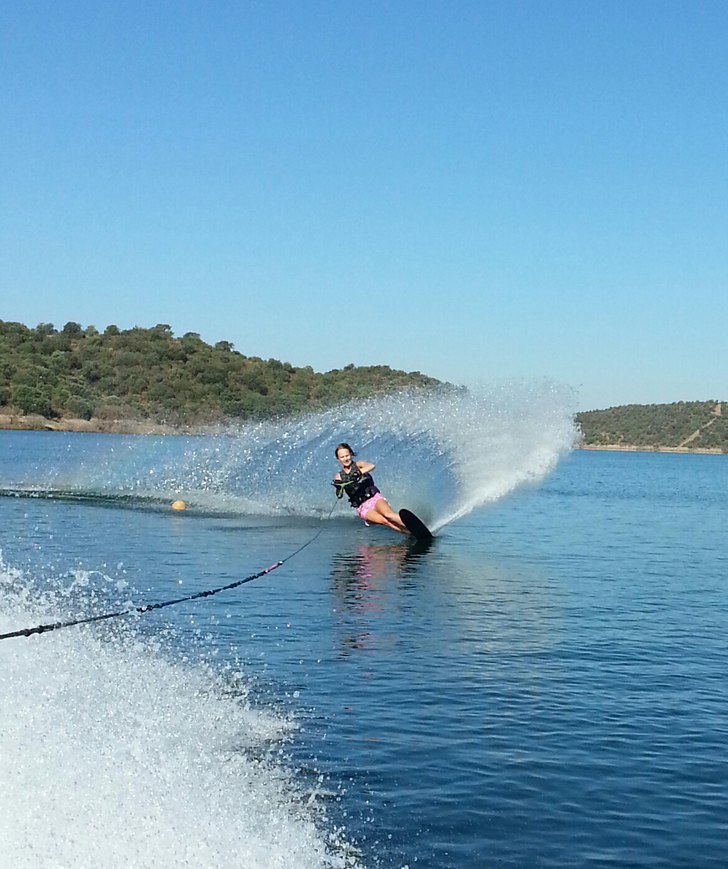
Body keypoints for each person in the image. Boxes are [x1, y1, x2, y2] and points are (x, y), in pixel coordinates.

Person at [332, 443, 409, 534]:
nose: (346, 458)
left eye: (347, 455)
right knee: (385, 521)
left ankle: (412, 525)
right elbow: (339, 495)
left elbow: (371, 466)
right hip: (362, 506)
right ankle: (408, 532)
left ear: (351, 454)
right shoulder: (338, 477)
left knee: (388, 515)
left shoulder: (359, 464)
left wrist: (359, 473)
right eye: (342, 457)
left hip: (374, 497)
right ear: (338, 459)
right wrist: (338, 488)